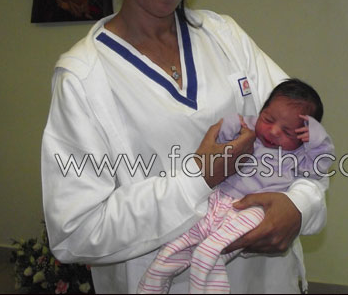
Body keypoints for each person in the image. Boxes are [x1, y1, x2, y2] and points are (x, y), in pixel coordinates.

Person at [41, 0, 330, 293]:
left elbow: (306, 135)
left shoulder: (224, 36)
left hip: (268, 281)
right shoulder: (83, 77)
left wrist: (299, 204)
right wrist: (198, 178)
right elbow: (76, 231)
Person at [137, 79, 334, 294]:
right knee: (174, 249)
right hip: (219, 200)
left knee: (210, 252)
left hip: (257, 210)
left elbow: (319, 167)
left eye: (288, 132)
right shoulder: (247, 131)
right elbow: (220, 141)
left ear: (303, 136)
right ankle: (152, 285)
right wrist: (230, 125)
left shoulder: (299, 155)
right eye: (268, 119)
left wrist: (318, 142)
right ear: (261, 111)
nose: (274, 131)